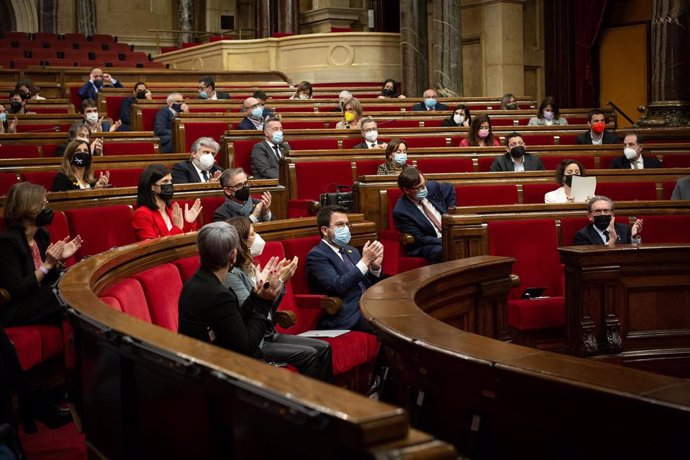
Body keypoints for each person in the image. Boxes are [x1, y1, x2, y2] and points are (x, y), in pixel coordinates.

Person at [0, 183, 78, 433]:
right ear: (27, 208)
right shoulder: (7, 242)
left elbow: (48, 277)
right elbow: (17, 290)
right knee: (66, 298)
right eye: (42, 204)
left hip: (39, 300)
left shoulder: (42, 235)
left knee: (70, 290)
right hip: (16, 309)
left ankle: (71, 384)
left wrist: (59, 263)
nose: (47, 207)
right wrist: (48, 265)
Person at [223, 217, 332, 381]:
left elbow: (269, 311)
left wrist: (281, 283)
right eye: (253, 234)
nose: (258, 237)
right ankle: (304, 405)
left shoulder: (251, 266)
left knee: (324, 347)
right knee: (310, 355)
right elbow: (254, 314)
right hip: (257, 342)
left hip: (268, 333)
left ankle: (326, 403)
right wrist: (278, 282)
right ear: (241, 242)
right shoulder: (233, 275)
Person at [178, 221, 286, 359]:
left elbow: (235, 323)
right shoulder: (219, 295)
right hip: (212, 369)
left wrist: (256, 295)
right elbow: (247, 348)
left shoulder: (193, 283)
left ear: (199, 252)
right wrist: (263, 302)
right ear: (233, 256)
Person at [306, 206, 384, 333]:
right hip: (349, 316)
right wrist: (364, 262)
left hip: (369, 307)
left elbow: (366, 285)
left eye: (347, 224)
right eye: (340, 225)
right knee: (392, 327)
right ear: (325, 230)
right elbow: (337, 285)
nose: (346, 229)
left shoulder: (351, 251)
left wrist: (375, 267)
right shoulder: (317, 255)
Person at [393, 167, 456, 263]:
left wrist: (451, 212)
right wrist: (445, 240)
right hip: (427, 244)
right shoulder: (401, 211)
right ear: (406, 190)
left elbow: (450, 188)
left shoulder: (431, 187)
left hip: (449, 235)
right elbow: (420, 238)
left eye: (424, 184)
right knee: (442, 250)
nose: (424, 189)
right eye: (419, 188)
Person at [131, 164, 202, 241]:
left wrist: (189, 222)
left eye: (170, 181)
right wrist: (176, 228)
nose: (169, 184)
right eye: (165, 181)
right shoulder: (142, 214)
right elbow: (152, 248)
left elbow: (181, 239)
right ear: (152, 186)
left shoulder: (171, 209)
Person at [574, 196, 643, 246]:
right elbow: (589, 259)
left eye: (606, 210)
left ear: (612, 214)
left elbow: (634, 254)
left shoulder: (624, 229)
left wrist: (634, 237)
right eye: (598, 211)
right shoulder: (582, 235)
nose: (602, 214)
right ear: (589, 216)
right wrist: (612, 240)